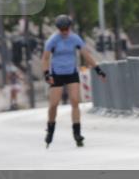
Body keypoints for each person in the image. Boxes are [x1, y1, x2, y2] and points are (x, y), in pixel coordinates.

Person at [41, 14, 106, 147]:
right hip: (57, 74)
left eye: (66, 29)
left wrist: (98, 69)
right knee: (54, 104)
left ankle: (77, 133)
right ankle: (50, 128)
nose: (65, 32)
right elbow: (46, 58)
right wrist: (47, 74)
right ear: (58, 29)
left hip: (71, 73)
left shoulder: (75, 38)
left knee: (75, 101)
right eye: (62, 29)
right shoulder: (52, 40)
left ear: (70, 27)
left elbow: (86, 55)